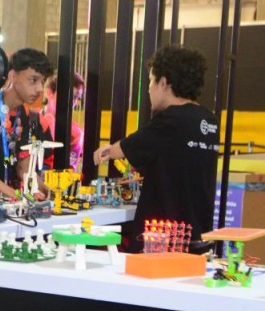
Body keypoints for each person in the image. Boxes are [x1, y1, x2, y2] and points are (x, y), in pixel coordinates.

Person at [94, 45, 219, 252]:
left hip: (164, 238)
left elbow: (127, 147)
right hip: (198, 233)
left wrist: (106, 151)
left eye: (151, 81)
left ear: (163, 82)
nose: (149, 89)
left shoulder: (170, 120)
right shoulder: (209, 120)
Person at [0, 47, 54, 198]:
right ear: (12, 76)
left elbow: (24, 167)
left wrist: (49, 193)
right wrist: (12, 195)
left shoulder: (26, 115)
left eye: (43, 81)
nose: (40, 89)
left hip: (9, 201)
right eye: (33, 80)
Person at [42, 73, 84, 172]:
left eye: (75, 97)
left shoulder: (76, 133)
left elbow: (68, 171)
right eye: (66, 96)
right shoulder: (29, 119)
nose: (71, 102)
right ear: (49, 93)